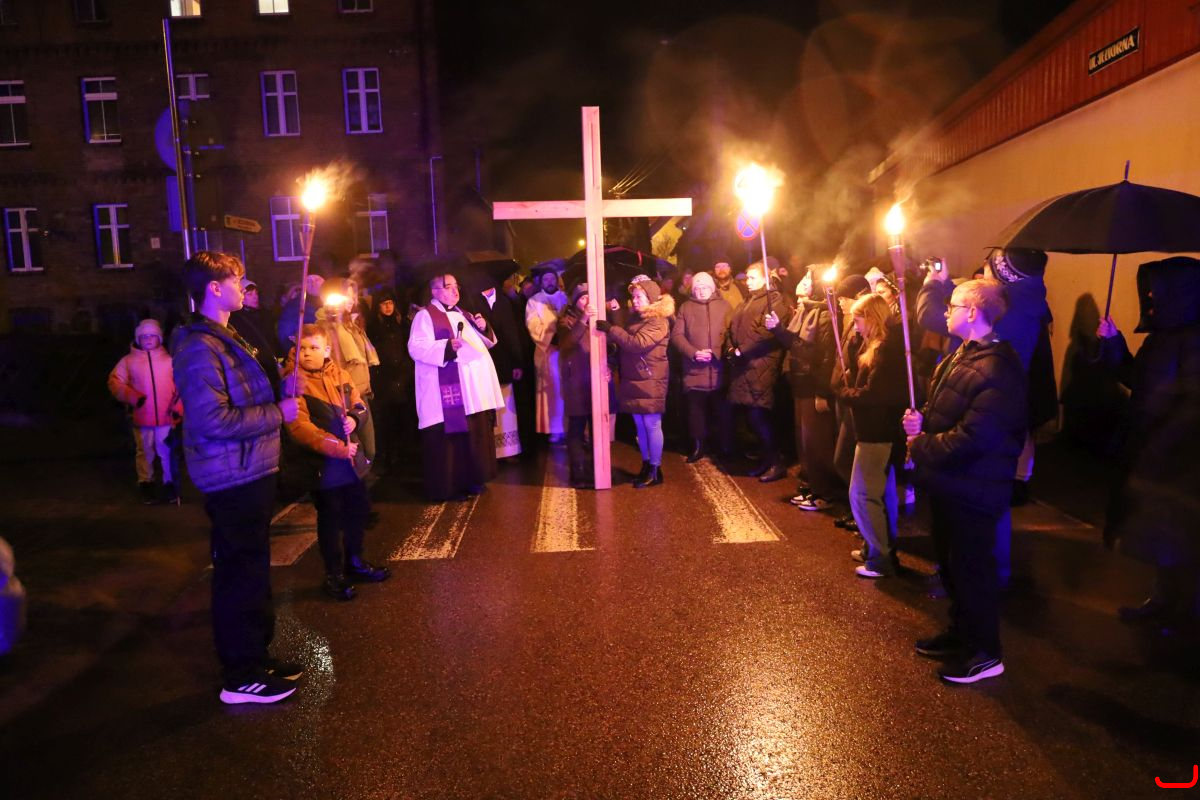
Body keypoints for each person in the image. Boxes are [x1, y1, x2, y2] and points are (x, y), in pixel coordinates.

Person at [171, 251, 302, 705]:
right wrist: (278, 413)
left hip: (251, 467)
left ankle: (256, 657)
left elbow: (247, 391)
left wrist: (283, 381)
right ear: (214, 287)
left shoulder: (230, 334)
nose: (244, 287)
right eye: (238, 280)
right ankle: (240, 675)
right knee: (238, 572)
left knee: (253, 568)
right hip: (231, 476)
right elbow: (212, 420)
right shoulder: (198, 347)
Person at [903, 278, 1027, 684]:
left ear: (973, 312)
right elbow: (947, 409)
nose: (946, 312)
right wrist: (922, 420)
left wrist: (922, 445)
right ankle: (962, 634)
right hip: (951, 485)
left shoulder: (997, 368)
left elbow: (975, 438)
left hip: (975, 488)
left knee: (974, 571)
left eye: (952, 305)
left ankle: (986, 652)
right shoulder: (962, 354)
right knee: (954, 567)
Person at [1097, 257, 1200, 634]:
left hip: (1181, 458)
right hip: (1152, 448)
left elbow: (1192, 405)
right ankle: (1161, 601)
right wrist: (1114, 344)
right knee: (1163, 534)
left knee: (1183, 536)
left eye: (1159, 288)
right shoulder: (1162, 335)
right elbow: (1138, 380)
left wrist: (1162, 445)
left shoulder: (1194, 340)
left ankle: (1184, 613)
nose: (1151, 295)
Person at [284, 324, 390, 601]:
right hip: (323, 465)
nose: (307, 353)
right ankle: (334, 574)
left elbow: (359, 404)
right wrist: (337, 447)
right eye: (302, 348)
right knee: (330, 519)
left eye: (314, 347)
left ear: (327, 350)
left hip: (350, 462)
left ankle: (355, 562)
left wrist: (354, 419)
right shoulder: (294, 383)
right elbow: (300, 428)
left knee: (357, 510)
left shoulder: (340, 374)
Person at [407, 274, 506, 501]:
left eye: (456, 286)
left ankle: (473, 479)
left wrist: (484, 327)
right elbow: (416, 348)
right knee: (452, 439)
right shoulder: (425, 316)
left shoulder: (463, 313)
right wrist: (446, 347)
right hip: (446, 393)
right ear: (434, 292)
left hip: (473, 391)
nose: (455, 291)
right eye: (448, 287)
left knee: (474, 434)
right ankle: (452, 486)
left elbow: (488, 343)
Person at [835, 293, 906, 578]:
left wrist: (845, 393)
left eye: (858, 319)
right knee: (876, 493)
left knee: (864, 494)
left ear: (872, 318)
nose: (855, 325)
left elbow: (875, 394)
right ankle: (874, 547)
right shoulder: (873, 345)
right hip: (872, 429)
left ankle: (881, 556)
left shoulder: (886, 351)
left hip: (878, 431)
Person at [770, 268, 840, 512]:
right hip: (800, 383)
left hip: (813, 386)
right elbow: (795, 345)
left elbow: (821, 355)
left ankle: (824, 492)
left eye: (809, 278)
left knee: (817, 443)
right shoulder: (804, 311)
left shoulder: (824, 315)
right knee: (804, 441)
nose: (803, 281)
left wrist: (822, 392)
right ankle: (811, 485)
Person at [595, 276, 673, 488]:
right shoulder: (636, 318)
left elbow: (636, 343)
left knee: (651, 424)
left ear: (651, 298)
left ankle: (656, 469)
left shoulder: (658, 321)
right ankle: (646, 465)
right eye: (634, 297)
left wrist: (611, 329)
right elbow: (624, 343)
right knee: (640, 424)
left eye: (639, 297)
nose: (635, 301)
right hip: (634, 377)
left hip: (651, 378)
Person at [107, 318, 184, 504]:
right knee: (144, 452)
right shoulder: (128, 361)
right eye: (144, 337)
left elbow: (182, 386)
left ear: (159, 338)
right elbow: (115, 382)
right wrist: (132, 397)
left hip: (166, 417)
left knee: (166, 451)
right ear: (138, 339)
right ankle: (146, 483)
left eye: (152, 336)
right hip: (141, 417)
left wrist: (178, 408)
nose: (148, 339)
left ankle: (170, 485)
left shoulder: (169, 361)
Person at [725, 261, 789, 482]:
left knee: (759, 415)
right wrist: (731, 348)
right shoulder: (748, 300)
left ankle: (776, 461)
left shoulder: (774, 300)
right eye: (747, 278)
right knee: (752, 416)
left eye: (753, 277)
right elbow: (733, 327)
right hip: (745, 364)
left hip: (762, 364)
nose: (748, 282)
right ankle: (767, 459)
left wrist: (741, 350)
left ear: (765, 279)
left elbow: (765, 333)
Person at [671, 271, 733, 463]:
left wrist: (716, 352)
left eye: (705, 287)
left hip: (719, 369)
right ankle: (698, 445)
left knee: (722, 411)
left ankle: (724, 446)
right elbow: (677, 336)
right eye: (697, 288)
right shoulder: (686, 308)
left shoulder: (725, 306)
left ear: (712, 288)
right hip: (694, 370)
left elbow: (731, 333)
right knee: (695, 412)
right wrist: (694, 353)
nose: (701, 291)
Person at [317, 277, 380, 464]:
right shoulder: (324, 327)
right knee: (355, 452)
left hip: (360, 394)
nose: (352, 300)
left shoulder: (351, 325)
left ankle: (363, 478)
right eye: (347, 296)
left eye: (354, 296)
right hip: (343, 397)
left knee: (369, 450)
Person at [366, 289, 416, 473]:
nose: (388, 306)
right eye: (383, 303)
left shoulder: (402, 324)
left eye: (390, 302)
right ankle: (388, 455)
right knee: (386, 418)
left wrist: (406, 369)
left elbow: (408, 348)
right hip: (384, 379)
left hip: (403, 377)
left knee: (404, 416)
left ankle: (405, 454)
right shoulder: (372, 327)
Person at [557, 284, 598, 488]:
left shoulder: (597, 319)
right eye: (583, 298)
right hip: (575, 382)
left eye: (590, 297)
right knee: (576, 427)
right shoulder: (566, 320)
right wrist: (583, 320)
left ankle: (596, 468)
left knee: (597, 428)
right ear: (575, 302)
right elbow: (567, 343)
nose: (587, 301)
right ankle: (578, 471)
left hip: (595, 380)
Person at [478, 283, 525, 460]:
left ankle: (508, 450)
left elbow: (513, 332)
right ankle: (491, 450)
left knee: (506, 406)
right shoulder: (474, 302)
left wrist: (517, 362)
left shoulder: (504, 302)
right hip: (486, 361)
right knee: (489, 408)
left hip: (505, 360)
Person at [525, 267, 569, 444]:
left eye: (552, 278)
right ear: (541, 282)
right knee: (553, 392)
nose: (550, 282)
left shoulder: (566, 298)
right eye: (546, 279)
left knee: (567, 390)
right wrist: (553, 335)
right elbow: (533, 325)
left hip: (567, 351)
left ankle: (571, 428)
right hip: (548, 352)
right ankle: (555, 430)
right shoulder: (534, 301)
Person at [229, 277, 281, 396]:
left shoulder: (266, 315)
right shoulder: (235, 319)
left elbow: (272, 339)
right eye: (250, 294)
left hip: (271, 366)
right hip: (255, 368)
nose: (255, 297)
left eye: (256, 293)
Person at [277, 272, 324, 352]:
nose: (313, 283)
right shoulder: (294, 306)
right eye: (308, 281)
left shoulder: (331, 304)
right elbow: (286, 334)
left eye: (317, 280)